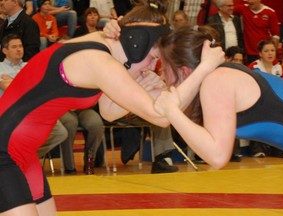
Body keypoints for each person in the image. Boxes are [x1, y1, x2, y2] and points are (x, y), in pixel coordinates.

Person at [1, 1, 225, 214]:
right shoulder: (100, 63)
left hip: (23, 153)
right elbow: (162, 117)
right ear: (137, 44)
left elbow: (108, 111)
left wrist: (140, 84)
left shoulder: (103, 48)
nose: (150, 66)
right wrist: (204, 69)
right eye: (152, 58)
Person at [151, 24, 283, 170]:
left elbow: (218, 156)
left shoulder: (217, 81)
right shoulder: (219, 75)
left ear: (184, 71)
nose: (162, 74)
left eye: (164, 68)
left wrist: (172, 111)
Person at [0, 33, 67, 166]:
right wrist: (27, 85)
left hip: (34, 111)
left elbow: (42, 88)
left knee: (60, 132)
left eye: (20, 46)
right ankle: (16, 161)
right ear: (5, 50)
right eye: (14, 47)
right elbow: (10, 89)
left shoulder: (30, 65)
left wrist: (15, 82)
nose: (19, 49)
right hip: (11, 112)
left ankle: (21, 159)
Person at [59, 107, 104, 175]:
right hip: (64, 108)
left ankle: (89, 160)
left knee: (96, 124)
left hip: (86, 108)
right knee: (69, 124)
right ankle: (69, 165)